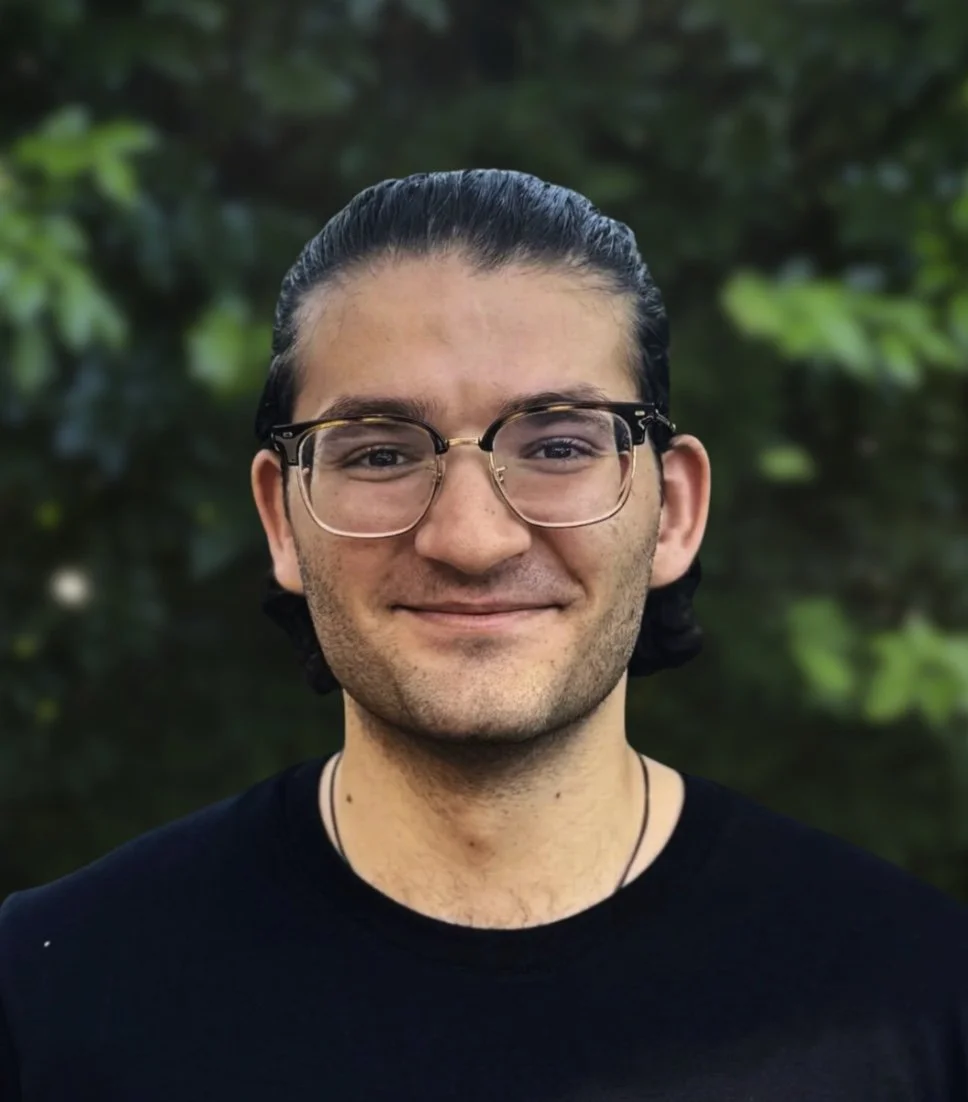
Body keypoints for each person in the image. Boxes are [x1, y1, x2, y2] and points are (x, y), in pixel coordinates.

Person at [1, 169, 965, 1101]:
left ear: (673, 511)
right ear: (282, 520)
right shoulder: (47, 996)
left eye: (559, 446)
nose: (471, 539)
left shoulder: (918, 1001)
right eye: (380, 454)